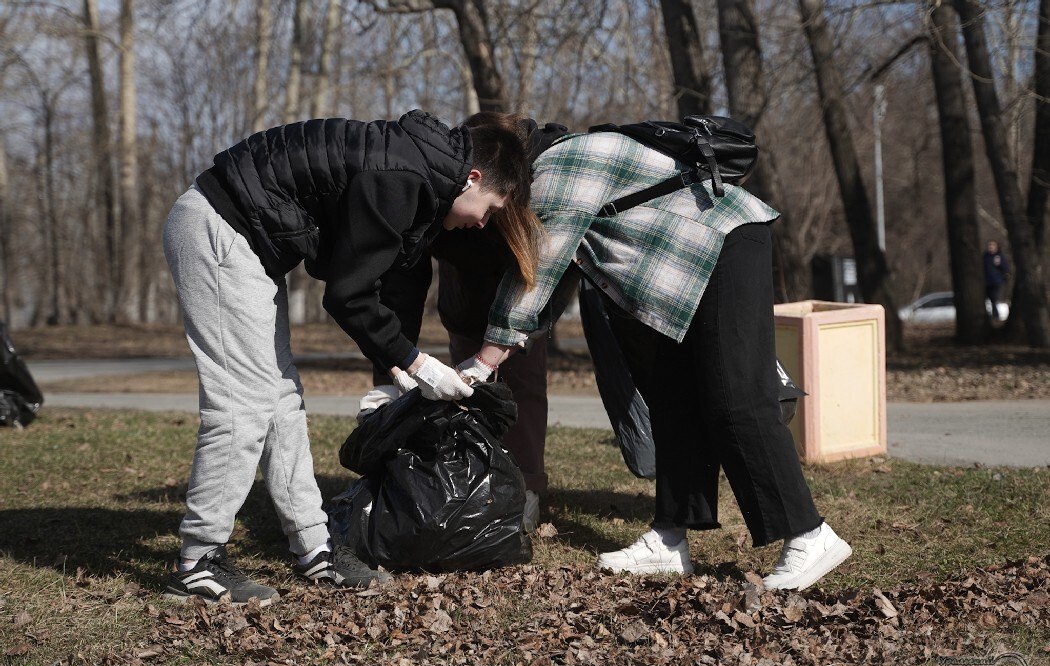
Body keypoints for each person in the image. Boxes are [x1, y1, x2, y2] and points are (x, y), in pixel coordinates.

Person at [162, 110, 536, 605]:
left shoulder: (418, 174)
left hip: (247, 244)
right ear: (473, 178)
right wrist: (417, 364)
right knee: (243, 403)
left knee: (280, 399)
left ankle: (314, 548)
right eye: (489, 208)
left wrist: (395, 370)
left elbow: (391, 281)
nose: (481, 222)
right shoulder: (403, 176)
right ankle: (198, 562)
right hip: (219, 230)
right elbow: (348, 294)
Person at [458, 126, 853, 591]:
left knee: (736, 398)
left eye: (487, 208)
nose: (487, 222)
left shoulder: (556, 170)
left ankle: (810, 534)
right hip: (677, 265)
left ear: (486, 174)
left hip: (724, 241)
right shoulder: (547, 175)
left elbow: (537, 272)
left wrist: (483, 362)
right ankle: (670, 539)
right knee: (673, 401)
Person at [361, 114, 567, 531]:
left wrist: (507, 340)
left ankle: (524, 487)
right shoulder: (436, 189)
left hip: (524, 297)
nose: (482, 221)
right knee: (468, 396)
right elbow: (405, 275)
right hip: (466, 302)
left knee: (522, 389)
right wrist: (389, 370)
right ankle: (476, 482)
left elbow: (546, 269)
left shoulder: (539, 189)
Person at [983, 240, 1009, 321]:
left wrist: (1004, 276)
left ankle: (996, 315)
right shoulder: (985, 257)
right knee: (988, 299)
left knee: (994, 299)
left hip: (996, 281)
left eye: (992, 245)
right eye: (989, 245)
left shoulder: (999, 257)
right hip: (986, 281)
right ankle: (991, 315)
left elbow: (1005, 269)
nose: (991, 247)